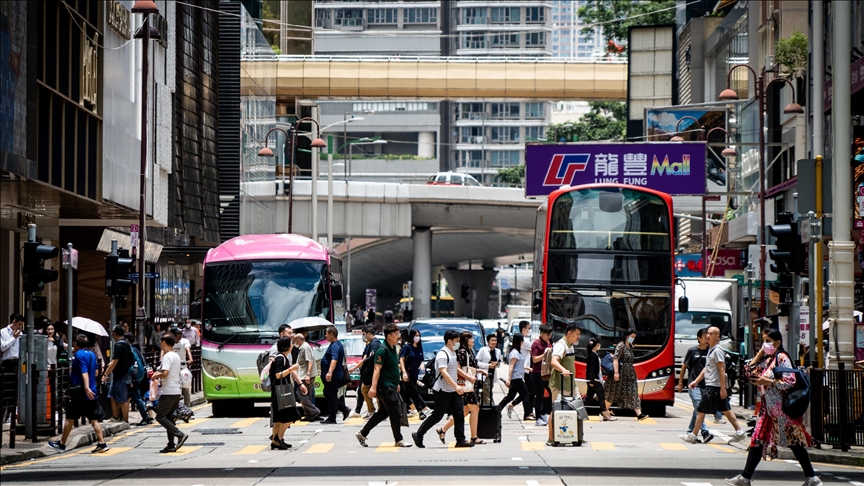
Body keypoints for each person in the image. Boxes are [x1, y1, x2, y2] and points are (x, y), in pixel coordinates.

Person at [724, 329, 821, 486]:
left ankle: (812, 477)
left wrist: (769, 382)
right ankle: (745, 477)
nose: (765, 344)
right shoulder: (769, 359)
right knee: (758, 440)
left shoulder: (782, 358)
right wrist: (760, 354)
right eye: (763, 340)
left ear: (777, 342)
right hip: (769, 411)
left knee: (795, 443)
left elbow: (790, 381)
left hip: (783, 410)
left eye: (768, 340)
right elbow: (749, 371)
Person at [680, 326, 747, 444]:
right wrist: (696, 381)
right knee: (726, 409)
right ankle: (739, 432)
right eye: (707, 334)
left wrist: (722, 388)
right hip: (713, 385)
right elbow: (707, 368)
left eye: (711, 334)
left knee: (701, 410)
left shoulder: (717, 350)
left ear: (717, 337)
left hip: (714, 386)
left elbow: (722, 369)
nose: (707, 336)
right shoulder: (711, 350)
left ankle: (693, 435)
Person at [412, 329, 473, 449]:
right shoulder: (442, 354)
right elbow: (444, 372)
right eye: (456, 341)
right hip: (442, 391)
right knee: (437, 415)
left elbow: (454, 369)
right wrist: (456, 386)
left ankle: (460, 440)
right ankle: (419, 434)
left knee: (459, 414)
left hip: (453, 390)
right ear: (449, 341)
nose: (458, 343)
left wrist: (465, 379)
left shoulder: (453, 353)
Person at [48, 334, 109, 453]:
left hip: (80, 392)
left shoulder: (79, 355)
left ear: (76, 344)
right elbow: (96, 372)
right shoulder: (92, 354)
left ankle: (62, 444)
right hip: (92, 391)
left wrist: (86, 388)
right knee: (94, 419)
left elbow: (84, 372)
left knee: (70, 418)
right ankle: (102, 444)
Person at [356, 324, 412, 448]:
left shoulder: (393, 348)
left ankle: (362, 433)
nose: (399, 336)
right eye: (396, 334)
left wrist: (396, 383)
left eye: (398, 334)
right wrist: (373, 387)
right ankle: (399, 439)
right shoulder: (383, 349)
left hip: (391, 385)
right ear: (389, 336)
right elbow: (377, 369)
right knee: (396, 412)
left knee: (383, 412)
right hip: (385, 386)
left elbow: (392, 368)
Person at [438, 331, 483, 444]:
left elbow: (468, 367)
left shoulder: (469, 352)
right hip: (465, 384)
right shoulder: (462, 352)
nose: (473, 340)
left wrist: (478, 371)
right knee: (475, 408)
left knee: (464, 411)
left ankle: (442, 429)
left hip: (469, 384)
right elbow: (456, 368)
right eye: (470, 338)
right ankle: (474, 436)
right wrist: (468, 377)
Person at [677, 327, 717, 443]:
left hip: (707, 384)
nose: (707, 339)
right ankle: (705, 432)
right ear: (699, 339)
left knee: (698, 410)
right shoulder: (692, 351)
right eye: (705, 337)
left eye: (708, 337)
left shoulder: (712, 351)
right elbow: (684, 366)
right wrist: (680, 383)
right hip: (693, 385)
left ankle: (690, 432)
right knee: (699, 407)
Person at [151, 332, 188, 453]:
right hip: (176, 390)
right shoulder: (176, 356)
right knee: (169, 418)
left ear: (164, 342)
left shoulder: (167, 356)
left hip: (168, 391)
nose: (160, 344)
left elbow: (165, 373)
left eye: (161, 342)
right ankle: (171, 444)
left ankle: (179, 434)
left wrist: (157, 375)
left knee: (160, 416)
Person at [604, 329, 649, 421]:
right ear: (626, 336)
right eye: (631, 337)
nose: (632, 339)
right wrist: (616, 373)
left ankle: (639, 414)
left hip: (630, 374)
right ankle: (604, 411)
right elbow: (615, 359)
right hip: (621, 373)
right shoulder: (621, 346)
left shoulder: (630, 346)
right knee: (612, 393)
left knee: (633, 392)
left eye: (634, 337)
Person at [547, 322, 580, 446]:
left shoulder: (570, 345)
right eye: (577, 334)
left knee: (578, 408)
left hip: (570, 384)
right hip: (559, 385)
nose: (578, 337)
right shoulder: (561, 345)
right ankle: (551, 438)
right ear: (569, 333)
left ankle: (576, 435)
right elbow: (554, 361)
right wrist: (563, 370)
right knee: (555, 411)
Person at [270, 336, 303, 450]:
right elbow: (278, 375)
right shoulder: (280, 358)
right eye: (291, 343)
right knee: (291, 416)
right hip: (281, 391)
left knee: (278, 418)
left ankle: (276, 440)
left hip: (278, 391)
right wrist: (291, 369)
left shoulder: (283, 357)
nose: (292, 345)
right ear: (286, 346)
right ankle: (278, 438)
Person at [102, 325, 134, 423]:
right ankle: (115, 417)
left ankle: (125, 420)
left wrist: (105, 374)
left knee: (122, 399)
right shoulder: (126, 343)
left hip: (121, 375)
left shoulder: (119, 345)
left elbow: (115, 362)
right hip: (119, 375)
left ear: (114, 333)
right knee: (112, 395)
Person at [321, 326, 351, 424]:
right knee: (328, 393)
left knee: (332, 395)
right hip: (332, 375)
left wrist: (329, 372)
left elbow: (334, 359)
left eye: (326, 333)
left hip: (333, 376)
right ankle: (343, 409)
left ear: (331, 334)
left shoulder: (335, 346)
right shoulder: (334, 345)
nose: (325, 336)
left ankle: (332, 417)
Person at [497, 333, 530, 421]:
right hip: (516, 378)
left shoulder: (516, 352)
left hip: (517, 377)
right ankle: (527, 414)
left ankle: (497, 410)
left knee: (510, 396)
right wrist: (508, 379)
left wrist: (528, 368)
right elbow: (511, 366)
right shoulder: (515, 352)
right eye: (522, 340)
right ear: (520, 341)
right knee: (526, 394)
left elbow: (518, 366)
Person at [350, 325, 381, 418]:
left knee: (369, 390)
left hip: (371, 372)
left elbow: (367, 359)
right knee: (363, 390)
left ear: (368, 334)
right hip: (367, 373)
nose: (363, 337)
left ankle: (376, 410)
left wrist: (354, 368)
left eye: (364, 334)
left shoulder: (375, 344)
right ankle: (371, 410)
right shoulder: (370, 344)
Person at [399, 329, 430, 419]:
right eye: (416, 335)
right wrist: (404, 372)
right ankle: (421, 410)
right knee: (414, 391)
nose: (417, 337)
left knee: (405, 396)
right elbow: (401, 359)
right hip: (407, 373)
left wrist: (422, 365)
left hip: (415, 374)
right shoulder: (407, 347)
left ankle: (396, 410)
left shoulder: (419, 348)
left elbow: (421, 360)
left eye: (418, 335)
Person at [292, 333, 321, 421]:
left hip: (306, 375)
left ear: (298, 340)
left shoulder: (305, 347)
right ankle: (308, 415)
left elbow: (310, 362)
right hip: (305, 374)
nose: (294, 342)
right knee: (307, 395)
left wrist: (308, 374)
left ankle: (314, 410)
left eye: (295, 340)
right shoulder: (303, 347)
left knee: (300, 394)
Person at [585, 337, 614, 421]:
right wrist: (592, 380)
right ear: (597, 345)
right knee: (601, 396)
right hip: (594, 380)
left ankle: (575, 409)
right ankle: (606, 415)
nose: (600, 346)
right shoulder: (593, 355)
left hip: (593, 379)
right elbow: (592, 368)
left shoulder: (592, 354)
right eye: (599, 344)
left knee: (588, 398)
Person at [163, 327, 193, 407]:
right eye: (177, 334)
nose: (179, 336)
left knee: (186, 388)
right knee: (174, 390)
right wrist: (161, 359)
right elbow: (163, 350)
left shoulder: (184, 341)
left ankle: (187, 409)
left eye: (180, 334)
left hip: (183, 368)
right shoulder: (169, 342)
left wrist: (190, 359)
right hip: (172, 369)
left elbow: (188, 350)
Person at [530, 324, 553, 426]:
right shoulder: (536, 343)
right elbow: (534, 359)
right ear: (542, 333)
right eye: (548, 335)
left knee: (552, 393)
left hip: (546, 373)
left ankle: (543, 412)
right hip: (537, 373)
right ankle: (538, 417)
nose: (549, 337)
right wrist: (545, 354)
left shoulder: (547, 343)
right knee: (539, 396)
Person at [518, 321, 536, 421]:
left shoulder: (524, 340)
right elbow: (534, 349)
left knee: (528, 392)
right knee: (528, 393)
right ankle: (528, 413)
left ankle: (529, 412)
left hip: (526, 369)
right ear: (524, 329)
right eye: (528, 328)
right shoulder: (524, 340)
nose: (529, 330)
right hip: (526, 370)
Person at [476, 333, 500, 404]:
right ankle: (490, 406)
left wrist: (496, 364)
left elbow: (499, 363)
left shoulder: (498, 351)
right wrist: (488, 365)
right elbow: (477, 362)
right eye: (492, 340)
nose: (494, 342)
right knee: (487, 392)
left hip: (492, 375)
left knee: (488, 391)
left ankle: (485, 407)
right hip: (484, 374)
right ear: (488, 341)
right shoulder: (483, 350)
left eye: (495, 340)